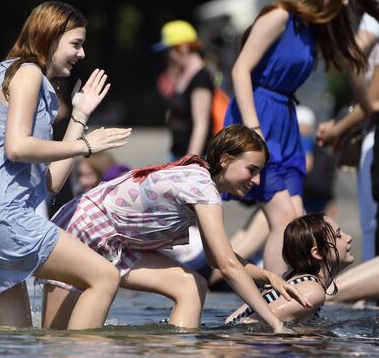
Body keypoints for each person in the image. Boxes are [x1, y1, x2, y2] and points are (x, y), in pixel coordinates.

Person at [0, 1, 132, 330]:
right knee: (104, 276)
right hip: (0, 215)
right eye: (75, 44)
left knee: (15, 341)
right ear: (49, 37)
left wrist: (79, 116)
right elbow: (18, 146)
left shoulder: (8, 72)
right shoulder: (29, 72)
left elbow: (53, 183)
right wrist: (88, 145)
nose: (81, 54)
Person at [41, 124, 305, 332]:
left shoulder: (201, 179)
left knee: (190, 285)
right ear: (225, 160)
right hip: (82, 229)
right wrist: (275, 323)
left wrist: (268, 277)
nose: (257, 180)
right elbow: (227, 265)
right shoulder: (202, 187)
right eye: (252, 169)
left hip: (115, 242)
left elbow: (217, 258)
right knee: (58, 339)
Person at [224, 0, 379, 274]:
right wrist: (254, 131)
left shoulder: (311, 27)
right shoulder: (280, 15)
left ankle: (294, 298)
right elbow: (240, 69)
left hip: (285, 120)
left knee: (298, 221)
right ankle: (274, 299)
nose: (346, 2)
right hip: (259, 115)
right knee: (283, 220)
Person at [318, 12, 379, 262]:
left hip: (374, 134)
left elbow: (373, 101)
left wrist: (338, 129)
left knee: (371, 224)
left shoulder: (373, 17)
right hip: (368, 131)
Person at [226, 213, 353, 324]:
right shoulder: (312, 291)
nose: (349, 238)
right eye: (338, 235)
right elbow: (248, 324)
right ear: (318, 253)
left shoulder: (294, 278)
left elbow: (233, 321)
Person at [153, 20, 215, 160]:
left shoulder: (201, 78)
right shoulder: (183, 74)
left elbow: (201, 125)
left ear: (184, 47)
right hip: (176, 153)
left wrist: (190, 161)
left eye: (171, 49)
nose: (169, 55)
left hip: (192, 156)